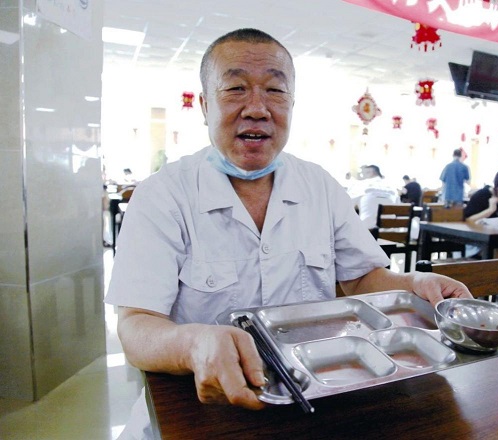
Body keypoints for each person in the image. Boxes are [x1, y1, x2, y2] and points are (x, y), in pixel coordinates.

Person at [105, 28, 472, 439]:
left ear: (291, 105)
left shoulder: (320, 187)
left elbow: (362, 279)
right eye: (236, 88)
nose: (257, 109)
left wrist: (415, 285)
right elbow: (135, 327)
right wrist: (192, 345)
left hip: (318, 401)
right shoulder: (163, 195)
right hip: (199, 412)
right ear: (205, 105)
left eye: (275, 91)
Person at [349, 164, 400, 228]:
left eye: (363, 173)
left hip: (367, 230)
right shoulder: (392, 186)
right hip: (391, 231)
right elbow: (398, 208)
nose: (362, 176)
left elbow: (347, 204)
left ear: (370, 172)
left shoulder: (362, 184)